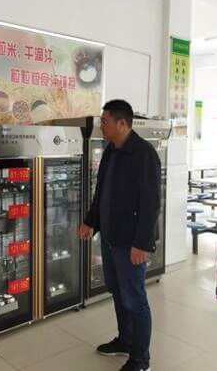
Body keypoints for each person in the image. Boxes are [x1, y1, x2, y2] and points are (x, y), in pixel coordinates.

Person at [78, 100, 160, 371]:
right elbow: (101, 192)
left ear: (122, 123)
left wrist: (142, 243)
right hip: (111, 237)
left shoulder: (144, 154)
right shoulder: (111, 150)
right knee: (118, 292)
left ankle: (141, 359)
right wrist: (91, 221)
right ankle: (125, 340)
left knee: (135, 299)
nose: (101, 126)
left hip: (131, 241)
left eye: (105, 121)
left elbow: (151, 203)